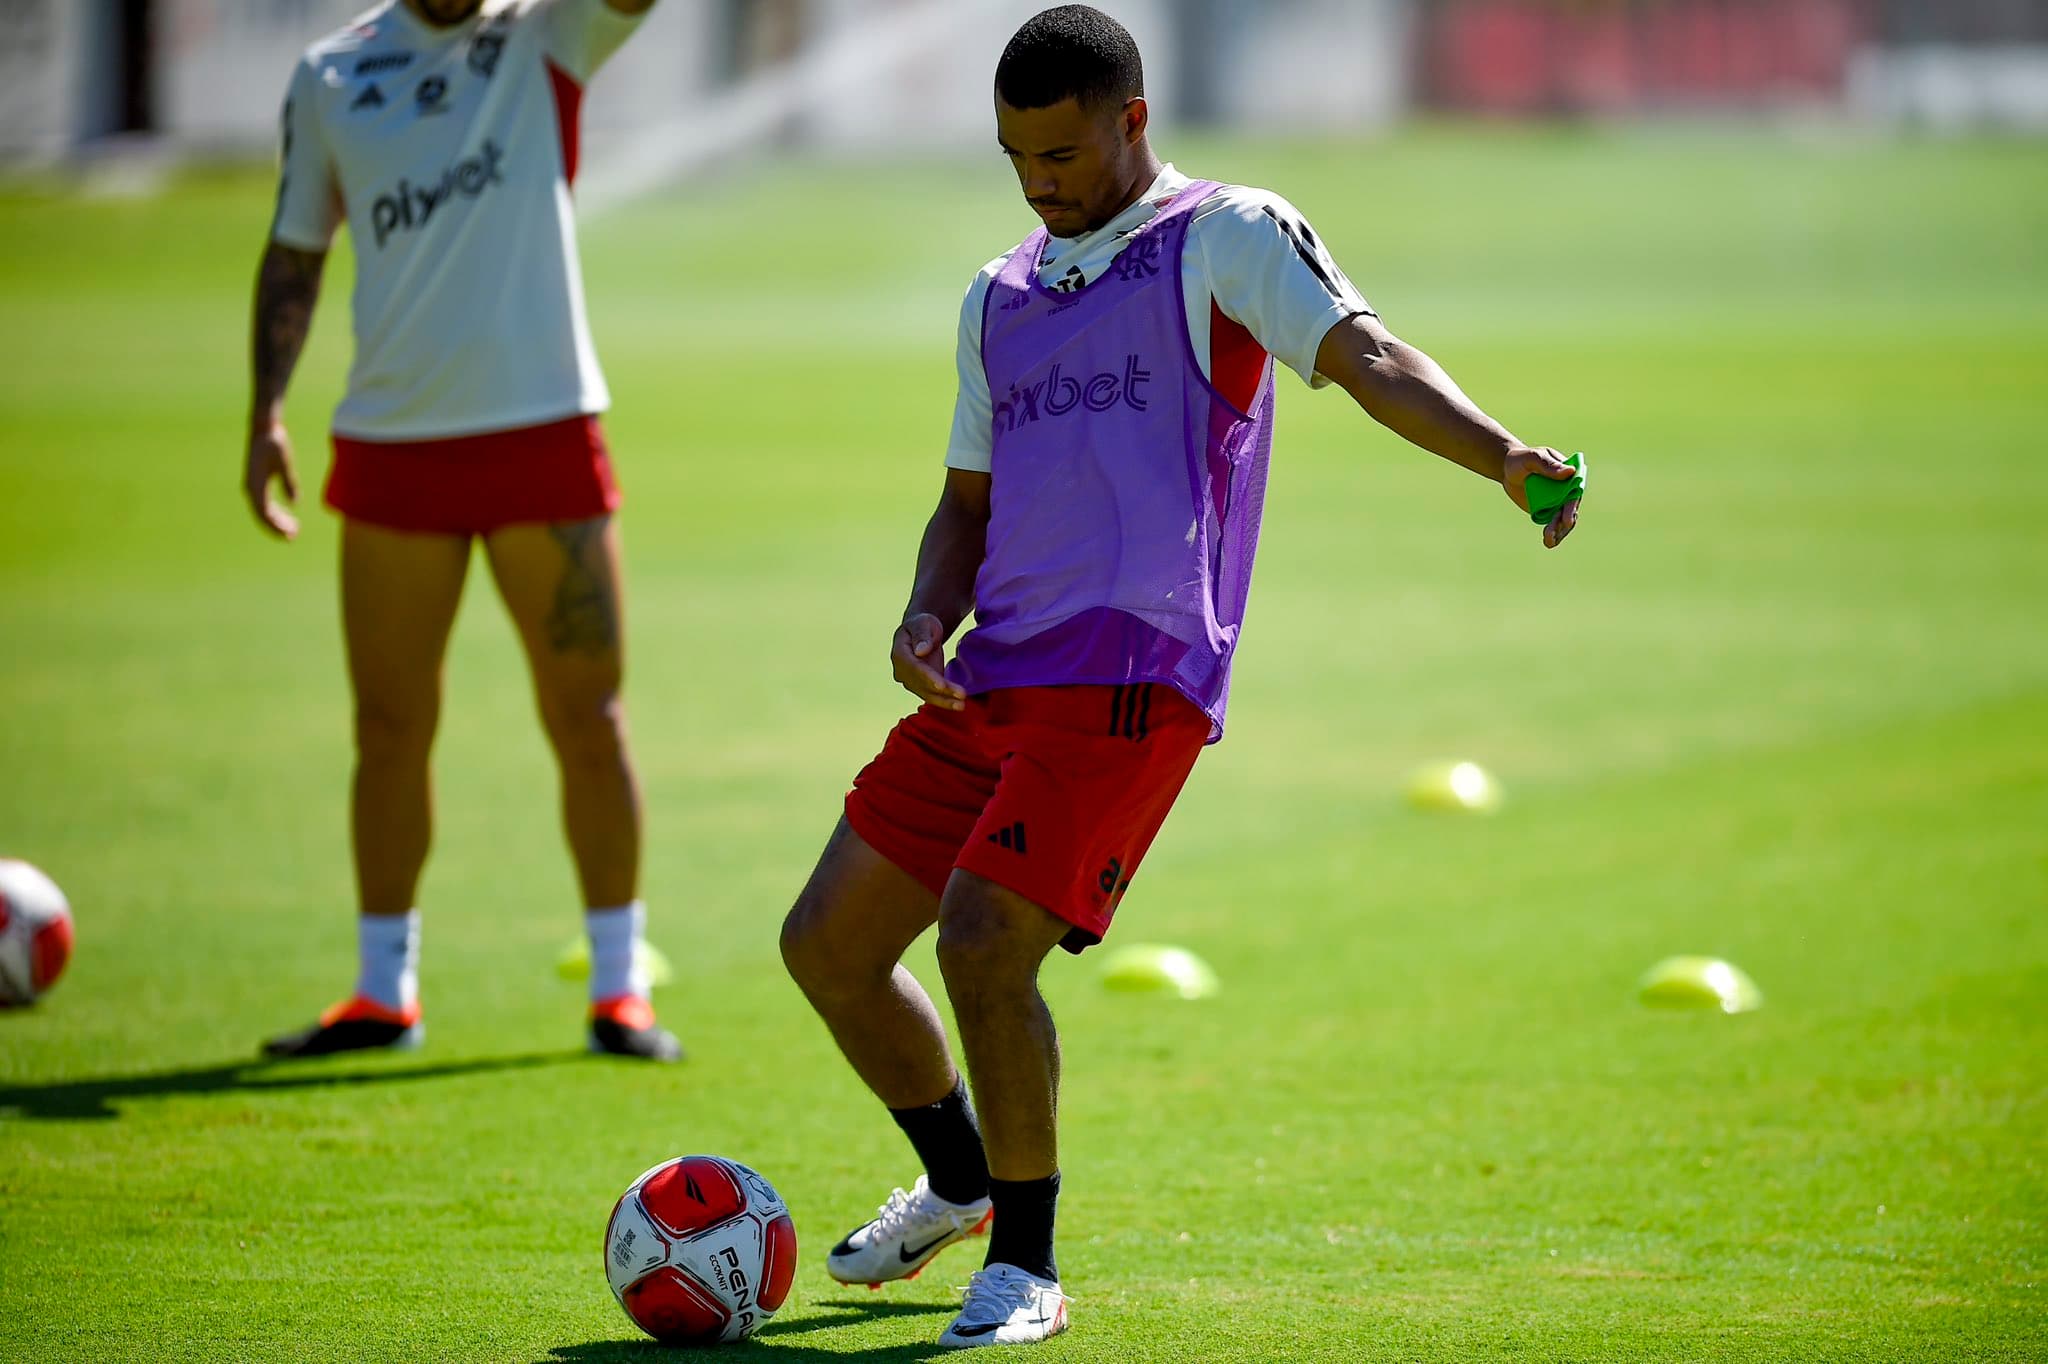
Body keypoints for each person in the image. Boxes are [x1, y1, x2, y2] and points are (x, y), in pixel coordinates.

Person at [778, 4, 1585, 1349]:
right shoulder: (1000, 295)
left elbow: (1369, 358)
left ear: (1132, 120)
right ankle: (961, 1180)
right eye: (1014, 155)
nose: (1040, 179)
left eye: (1062, 149)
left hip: (1135, 679)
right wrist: (925, 612)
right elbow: (964, 505)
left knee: (984, 944)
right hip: (995, 680)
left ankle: (1025, 1267)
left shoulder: (1226, 236)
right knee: (830, 948)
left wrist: (1505, 457)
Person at [245, 0, 678, 1062]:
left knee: (591, 715)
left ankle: (620, 986)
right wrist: (263, 412)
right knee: (388, 725)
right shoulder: (329, 75)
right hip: (394, 439)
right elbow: (295, 251)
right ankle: (381, 988)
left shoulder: (548, 33)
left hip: (542, 430)